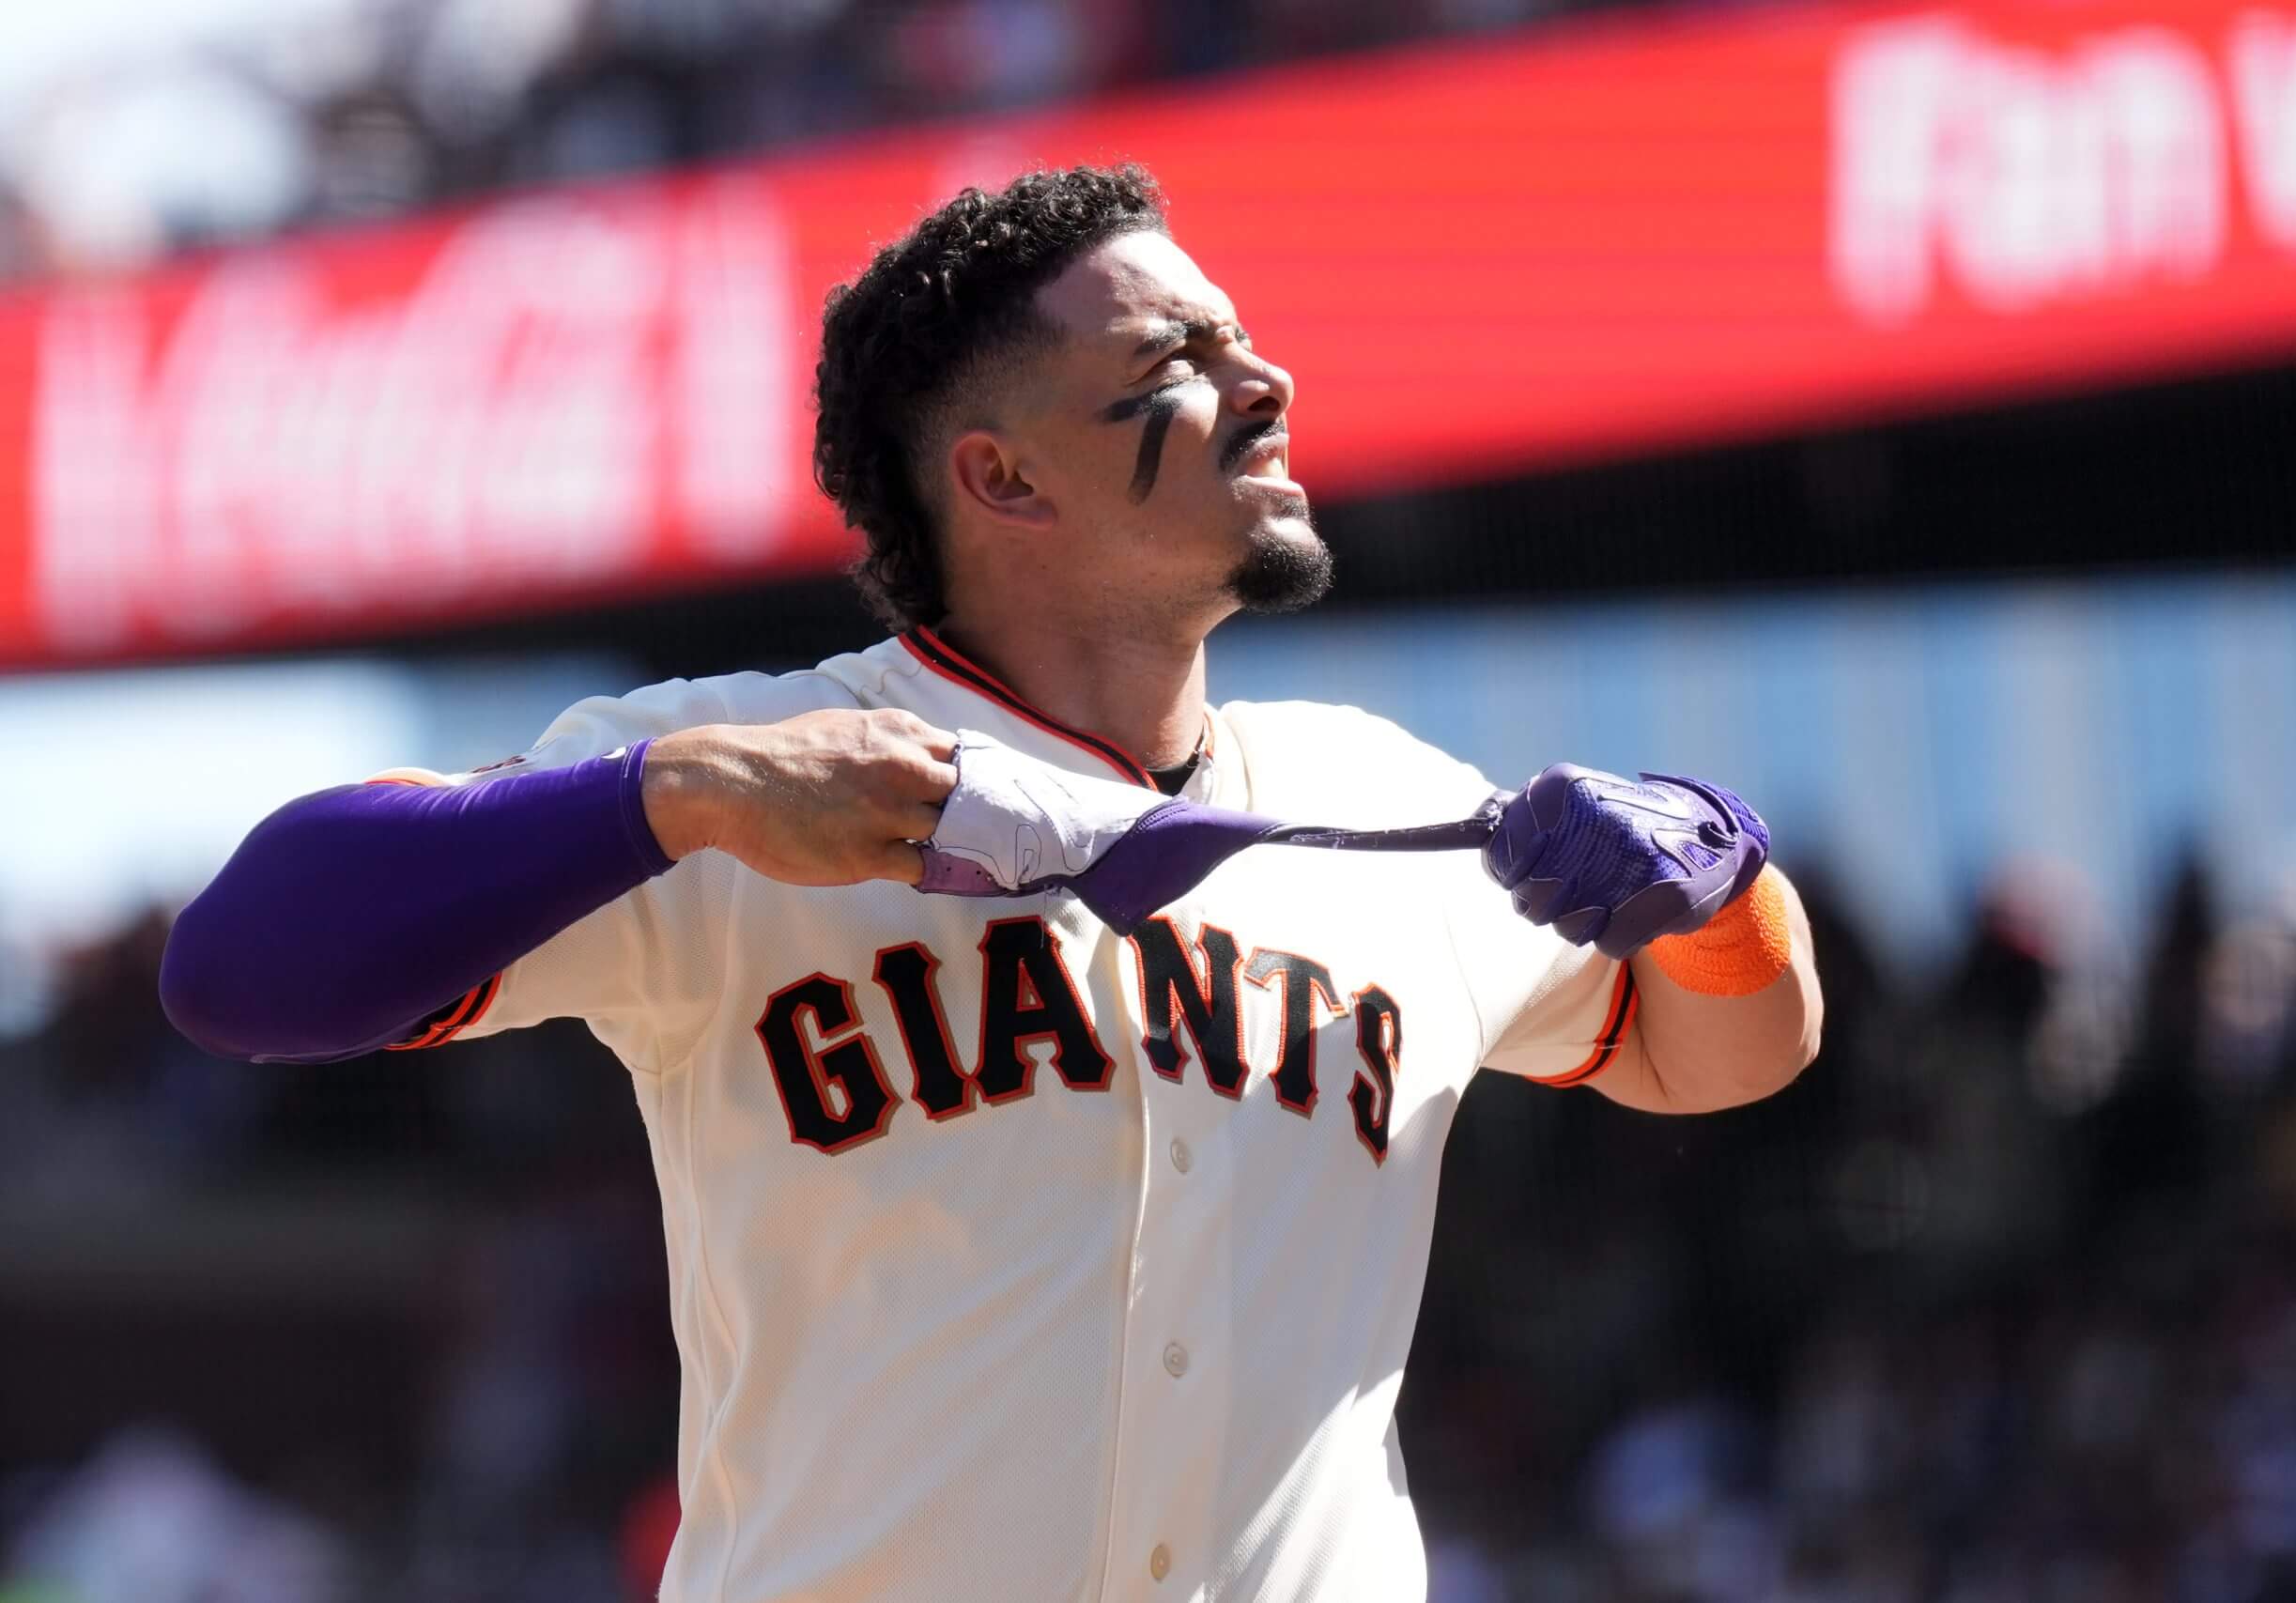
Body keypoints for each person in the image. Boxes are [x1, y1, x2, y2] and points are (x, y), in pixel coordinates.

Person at [160, 164, 1822, 1603]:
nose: (1262, 382)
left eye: (1238, 341)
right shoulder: (747, 768)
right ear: (1002, 478)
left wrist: (1721, 881)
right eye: (1175, 363)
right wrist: (678, 798)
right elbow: (241, 971)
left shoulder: (1385, 800)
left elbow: (1729, 1055)